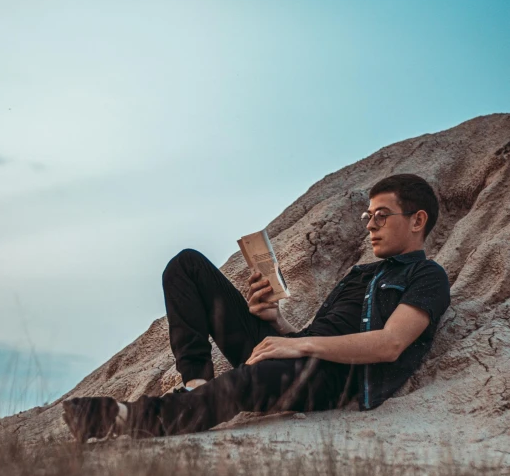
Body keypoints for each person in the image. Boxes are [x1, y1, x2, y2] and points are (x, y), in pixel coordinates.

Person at [63, 174, 450, 441]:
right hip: (302, 355)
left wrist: (299, 346)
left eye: (381, 216)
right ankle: (195, 384)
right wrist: (276, 323)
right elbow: (316, 335)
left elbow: (389, 345)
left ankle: (125, 419)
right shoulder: (361, 272)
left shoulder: (429, 276)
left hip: (334, 377)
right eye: (369, 216)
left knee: (242, 383)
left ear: (418, 220)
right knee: (186, 265)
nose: (370, 225)